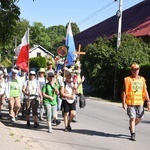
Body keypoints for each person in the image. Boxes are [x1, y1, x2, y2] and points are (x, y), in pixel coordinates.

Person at [121, 63, 150, 141]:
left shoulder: (142, 79)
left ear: (139, 70)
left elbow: (145, 90)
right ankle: (133, 134)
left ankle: (131, 127)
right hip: (130, 102)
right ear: (131, 70)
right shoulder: (127, 79)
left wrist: (148, 101)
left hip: (140, 102)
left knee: (140, 118)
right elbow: (124, 92)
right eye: (134, 69)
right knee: (132, 118)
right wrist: (123, 102)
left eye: (137, 69)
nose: (135, 71)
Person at [60, 67, 77, 132]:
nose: (69, 77)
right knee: (66, 113)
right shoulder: (63, 83)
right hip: (65, 99)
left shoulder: (73, 83)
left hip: (72, 100)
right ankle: (66, 126)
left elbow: (77, 92)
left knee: (73, 113)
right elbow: (61, 93)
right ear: (66, 76)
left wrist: (75, 88)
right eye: (68, 75)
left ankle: (68, 124)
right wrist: (68, 96)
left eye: (70, 75)